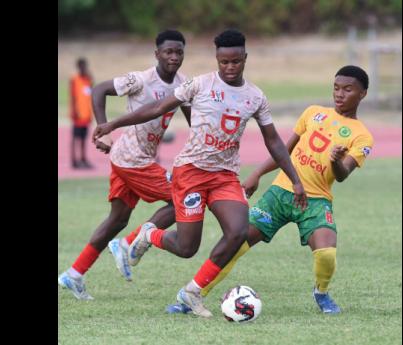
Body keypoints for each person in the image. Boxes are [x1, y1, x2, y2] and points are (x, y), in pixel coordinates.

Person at [92, 29, 307, 317]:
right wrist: (113, 124)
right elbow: (157, 107)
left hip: (225, 176)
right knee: (186, 247)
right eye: (224, 62)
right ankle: (149, 235)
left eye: (236, 61)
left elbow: (274, 141)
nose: (229, 68)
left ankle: (192, 292)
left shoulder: (255, 97)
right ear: (217, 59)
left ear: (245, 58)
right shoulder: (199, 84)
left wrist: (295, 179)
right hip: (191, 172)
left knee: (238, 231)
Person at [166, 65, 375, 315]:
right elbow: (282, 151)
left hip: (316, 201)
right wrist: (256, 173)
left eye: (348, 89)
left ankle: (321, 293)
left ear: (362, 94)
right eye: (336, 88)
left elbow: (342, 175)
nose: (339, 94)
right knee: (237, 243)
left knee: (327, 253)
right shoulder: (313, 113)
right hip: (279, 194)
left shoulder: (362, 136)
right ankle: (192, 295)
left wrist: (334, 161)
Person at [58, 29, 191, 300]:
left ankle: (74, 274)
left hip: (126, 159)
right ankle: (130, 243)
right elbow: (99, 89)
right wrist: (104, 130)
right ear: (157, 54)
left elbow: (194, 118)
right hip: (132, 159)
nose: (174, 57)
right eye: (168, 52)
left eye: (179, 52)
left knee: (117, 219)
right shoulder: (140, 80)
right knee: (185, 198)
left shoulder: (183, 85)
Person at [69, 57, 94, 169]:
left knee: (84, 138)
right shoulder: (74, 79)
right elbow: (73, 97)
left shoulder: (88, 79)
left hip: (86, 114)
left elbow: (91, 95)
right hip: (78, 114)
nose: (84, 68)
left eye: (85, 66)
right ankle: (74, 160)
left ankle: (83, 159)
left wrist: (91, 113)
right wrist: (74, 111)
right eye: (82, 66)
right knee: (75, 138)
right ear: (78, 67)